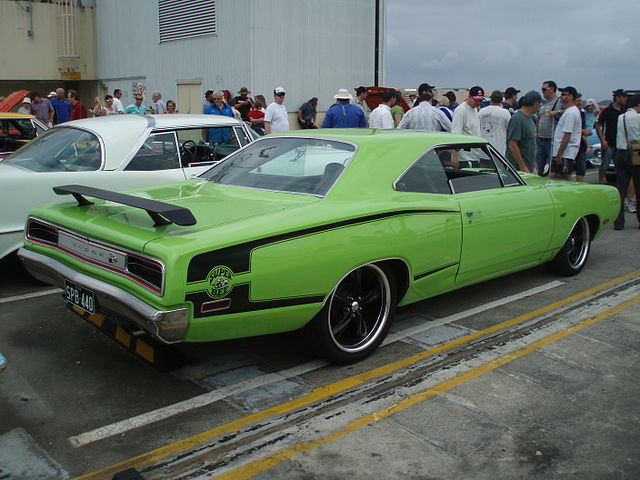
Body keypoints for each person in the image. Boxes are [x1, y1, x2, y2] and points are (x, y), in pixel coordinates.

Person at [613, 94, 640, 229]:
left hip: (621, 152)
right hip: (635, 153)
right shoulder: (638, 117)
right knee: (638, 186)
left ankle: (618, 222)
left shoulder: (621, 117)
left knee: (621, 188)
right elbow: (636, 136)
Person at [595, 89, 628, 184]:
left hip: (621, 143)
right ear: (617, 98)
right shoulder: (606, 110)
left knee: (619, 166)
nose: (625, 99)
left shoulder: (625, 110)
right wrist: (602, 140)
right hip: (609, 142)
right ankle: (600, 183)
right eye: (623, 97)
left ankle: (620, 184)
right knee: (604, 164)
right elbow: (598, 125)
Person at [550, 86, 582, 181]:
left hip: (566, 152)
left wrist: (559, 153)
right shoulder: (569, 112)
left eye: (564, 94)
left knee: (564, 176)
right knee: (558, 175)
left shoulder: (571, 113)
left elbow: (567, 135)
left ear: (571, 97)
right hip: (563, 152)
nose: (561, 97)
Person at [506, 90, 542, 173]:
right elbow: (512, 145)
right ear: (535, 103)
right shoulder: (517, 119)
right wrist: (522, 166)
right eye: (540, 103)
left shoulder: (529, 118)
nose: (540, 106)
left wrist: (533, 162)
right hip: (519, 171)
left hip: (529, 166)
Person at [536, 80, 563, 176]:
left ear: (551, 89)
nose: (542, 92)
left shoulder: (559, 102)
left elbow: (569, 110)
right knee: (539, 168)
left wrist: (558, 112)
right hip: (540, 140)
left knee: (555, 169)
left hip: (551, 140)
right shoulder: (543, 104)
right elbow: (539, 118)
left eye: (544, 89)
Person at [478, 90, 512, 155]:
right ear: (502, 100)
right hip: (499, 153)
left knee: (483, 165)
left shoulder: (481, 112)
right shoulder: (505, 113)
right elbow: (509, 131)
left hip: (483, 151)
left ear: (491, 99)